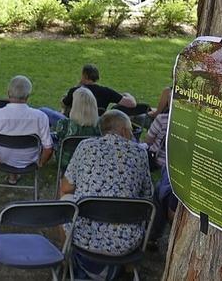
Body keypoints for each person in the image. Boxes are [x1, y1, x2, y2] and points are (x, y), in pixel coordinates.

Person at [59, 110, 152, 279]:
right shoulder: (140, 153)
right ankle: (126, 267)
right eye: (131, 130)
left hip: (84, 237)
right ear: (124, 131)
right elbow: (147, 196)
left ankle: (66, 259)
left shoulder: (86, 146)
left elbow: (65, 188)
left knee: (64, 201)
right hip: (127, 241)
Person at [0, 75, 53, 185]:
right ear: (28, 95)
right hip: (30, 160)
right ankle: (13, 176)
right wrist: (41, 163)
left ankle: (12, 177)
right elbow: (48, 148)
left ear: (8, 93)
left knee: (10, 148)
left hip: (2, 159)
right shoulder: (40, 117)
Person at [53, 87, 101, 170]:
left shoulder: (64, 124)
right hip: (92, 160)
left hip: (67, 162)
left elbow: (59, 137)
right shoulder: (101, 124)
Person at [62, 64, 137, 115]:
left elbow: (63, 104)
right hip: (99, 127)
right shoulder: (106, 92)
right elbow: (132, 103)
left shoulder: (75, 91)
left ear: (84, 76)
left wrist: (77, 85)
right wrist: (127, 94)